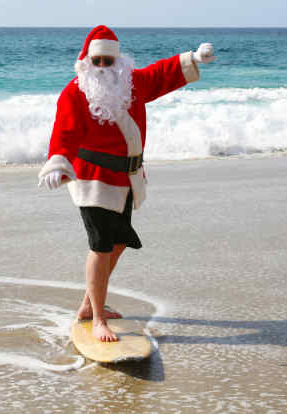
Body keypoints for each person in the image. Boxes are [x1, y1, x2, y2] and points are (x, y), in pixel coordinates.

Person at [38, 25, 215, 342]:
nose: (103, 68)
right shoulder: (75, 92)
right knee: (100, 247)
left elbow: (162, 73)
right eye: (98, 62)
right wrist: (57, 161)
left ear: (119, 61)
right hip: (92, 180)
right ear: (88, 61)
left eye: (109, 61)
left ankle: (87, 306)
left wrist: (194, 59)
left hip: (125, 180)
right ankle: (97, 320)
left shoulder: (133, 84)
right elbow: (64, 131)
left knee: (118, 243)